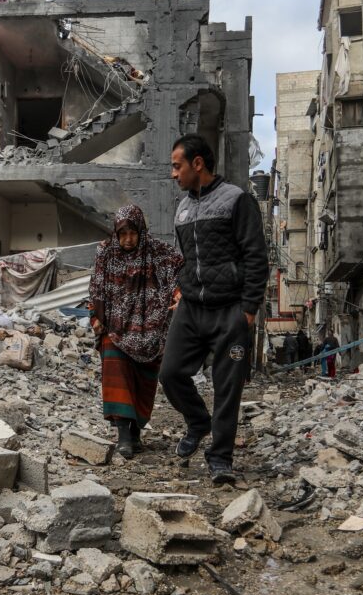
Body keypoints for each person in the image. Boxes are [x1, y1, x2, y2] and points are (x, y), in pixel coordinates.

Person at [159, 134, 269, 485]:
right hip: (191, 308)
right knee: (170, 372)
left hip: (230, 310)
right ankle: (197, 422)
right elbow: (186, 258)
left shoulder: (237, 200)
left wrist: (248, 309)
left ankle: (220, 458)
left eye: (177, 166)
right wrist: (181, 288)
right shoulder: (182, 208)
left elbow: (256, 256)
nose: (173, 174)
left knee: (227, 388)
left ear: (197, 164)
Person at [89, 205, 183, 458]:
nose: (128, 239)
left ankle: (135, 433)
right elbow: (96, 286)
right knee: (117, 378)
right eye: (123, 234)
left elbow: (179, 273)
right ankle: (123, 437)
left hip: (149, 331)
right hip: (115, 328)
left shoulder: (158, 253)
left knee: (142, 382)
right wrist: (95, 315)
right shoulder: (106, 253)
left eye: (133, 233)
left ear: (141, 231)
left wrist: (179, 294)